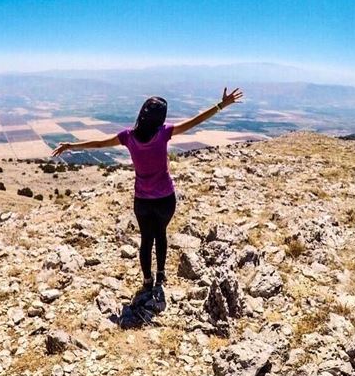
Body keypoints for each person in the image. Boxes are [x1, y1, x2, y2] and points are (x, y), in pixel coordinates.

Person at [52, 87, 244, 291]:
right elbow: (194, 122)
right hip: (165, 198)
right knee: (160, 235)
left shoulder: (128, 136)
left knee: (146, 239)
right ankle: (160, 275)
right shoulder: (164, 133)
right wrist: (221, 105)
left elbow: (100, 144)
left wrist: (71, 146)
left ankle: (147, 280)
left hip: (142, 200)